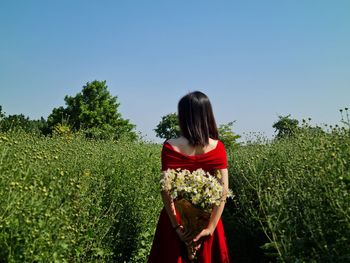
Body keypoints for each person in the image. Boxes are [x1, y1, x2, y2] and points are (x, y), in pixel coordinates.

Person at [148, 91, 231, 263]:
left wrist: (177, 227)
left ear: (183, 116)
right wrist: (210, 228)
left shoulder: (170, 146)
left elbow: (165, 190)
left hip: (176, 219)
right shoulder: (218, 147)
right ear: (208, 114)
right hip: (207, 220)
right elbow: (223, 191)